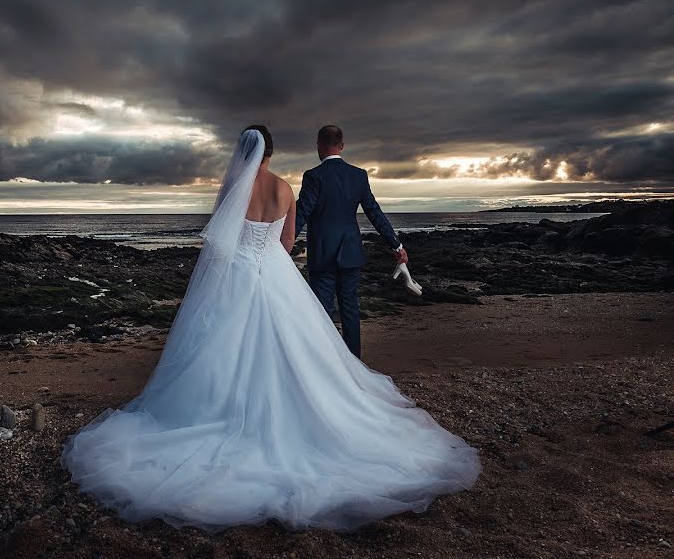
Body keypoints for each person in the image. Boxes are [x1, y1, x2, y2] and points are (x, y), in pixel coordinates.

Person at [59, 127, 481, 532]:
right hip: (276, 271)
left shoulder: (232, 189)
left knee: (220, 347)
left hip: (238, 274)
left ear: (244, 153)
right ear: (271, 154)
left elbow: (221, 243)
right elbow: (286, 242)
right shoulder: (285, 187)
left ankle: (216, 411)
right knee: (308, 340)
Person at [295, 124, 407, 358]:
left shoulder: (313, 176)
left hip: (322, 255)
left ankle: (326, 365)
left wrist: (282, 245)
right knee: (350, 311)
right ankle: (354, 365)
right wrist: (396, 245)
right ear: (342, 146)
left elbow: (301, 214)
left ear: (318, 145)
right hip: (350, 253)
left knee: (322, 313)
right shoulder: (358, 176)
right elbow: (374, 213)